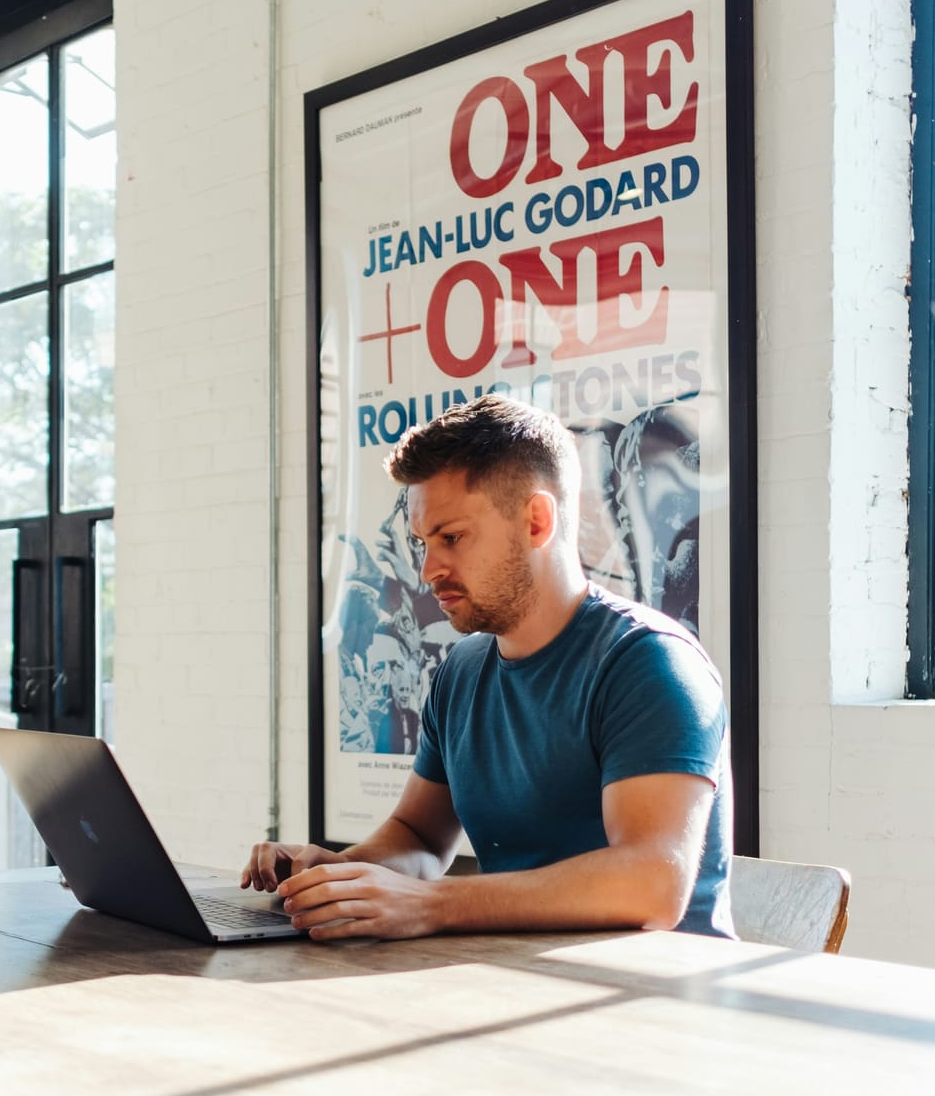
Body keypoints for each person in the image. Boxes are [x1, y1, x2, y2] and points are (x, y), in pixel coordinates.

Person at [243, 394, 733, 939]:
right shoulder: (463, 670)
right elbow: (419, 838)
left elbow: (651, 886)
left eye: (451, 538)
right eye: (423, 543)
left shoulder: (652, 663)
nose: (429, 570)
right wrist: (338, 875)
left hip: (652, 1004)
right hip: (509, 981)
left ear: (536, 521)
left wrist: (431, 905)